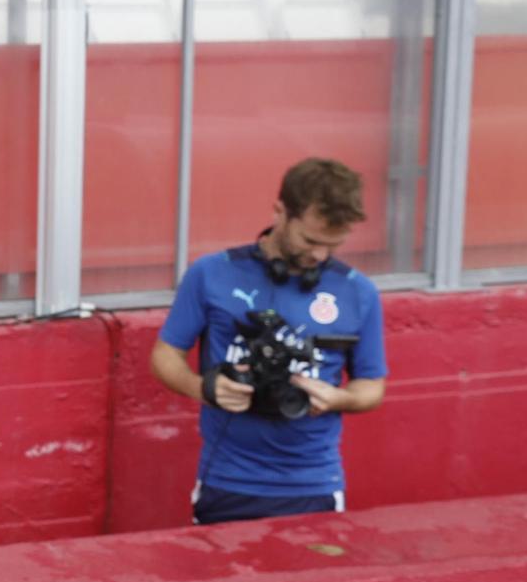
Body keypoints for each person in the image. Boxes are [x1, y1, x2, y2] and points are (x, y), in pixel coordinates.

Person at [149, 158, 389, 525]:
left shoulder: (358, 292)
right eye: (310, 241)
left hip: (314, 482)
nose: (320, 256)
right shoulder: (212, 273)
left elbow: (372, 385)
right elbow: (165, 355)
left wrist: (342, 399)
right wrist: (205, 388)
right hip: (227, 479)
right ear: (280, 212)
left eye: (333, 245)